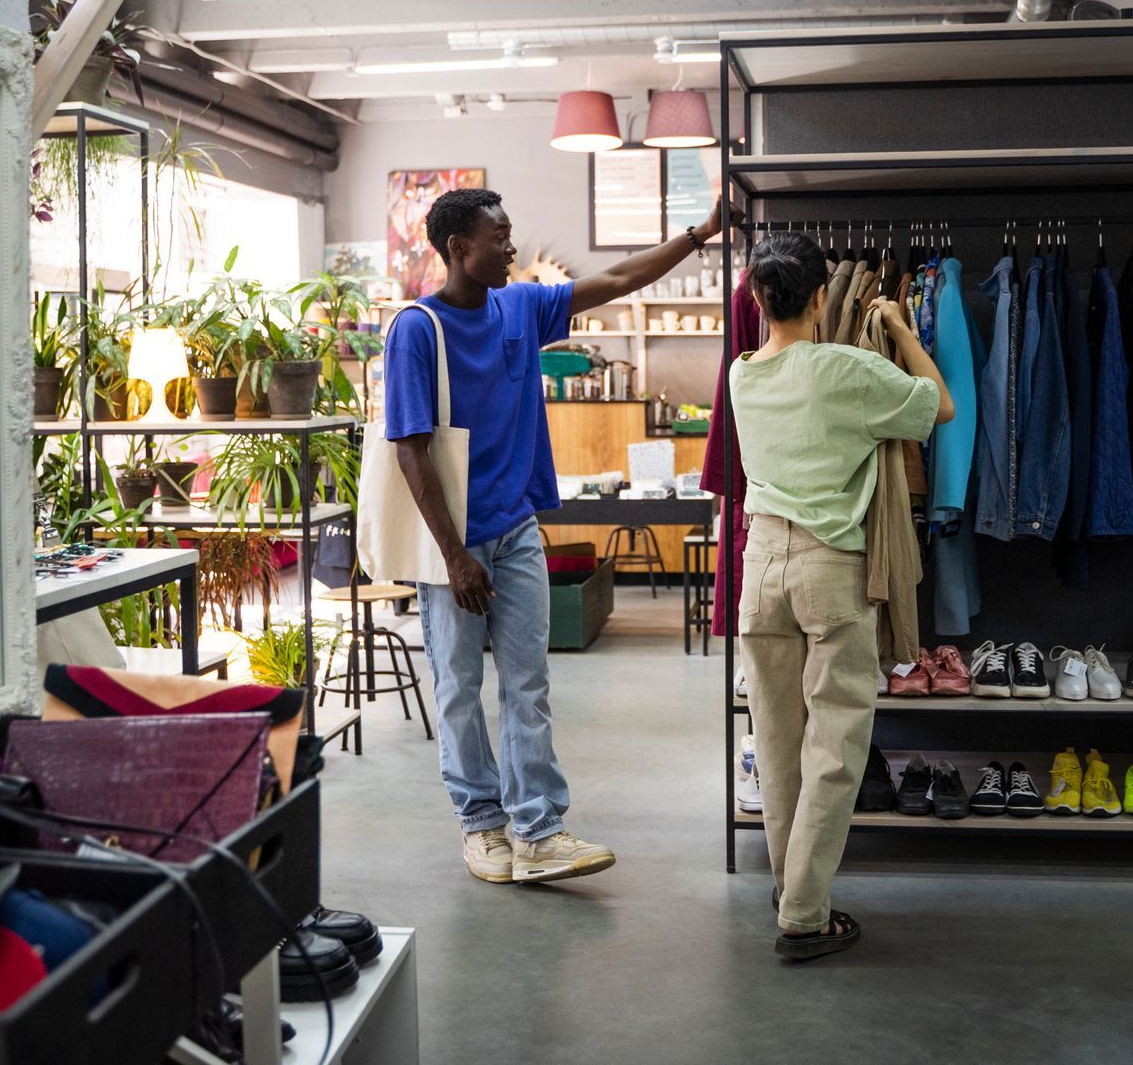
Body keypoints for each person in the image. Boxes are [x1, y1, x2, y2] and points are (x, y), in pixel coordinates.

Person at [383, 186, 724, 885]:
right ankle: (482, 827)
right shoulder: (418, 329)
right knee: (456, 686)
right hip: (451, 544)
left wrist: (701, 234)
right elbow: (411, 449)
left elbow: (623, 278)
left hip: (516, 531)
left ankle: (538, 830)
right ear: (458, 248)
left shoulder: (521, 307)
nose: (512, 247)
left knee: (529, 684)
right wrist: (453, 557)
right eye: (498, 236)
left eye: (509, 233)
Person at [725, 231, 951, 960]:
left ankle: (793, 888)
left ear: (758, 299)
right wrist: (902, 330)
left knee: (779, 741)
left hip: (760, 569)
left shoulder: (741, 375)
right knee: (835, 746)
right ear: (822, 296)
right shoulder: (847, 369)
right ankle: (804, 913)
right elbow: (937, 407)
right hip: (829, 571)